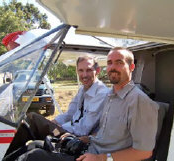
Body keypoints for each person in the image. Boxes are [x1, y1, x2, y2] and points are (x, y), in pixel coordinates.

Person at [16, 47, 159, 161]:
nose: (113, 67)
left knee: (34, 156)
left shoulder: (140, 101)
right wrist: (86, 139)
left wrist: (101, 158)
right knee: (34, 146)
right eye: (109, 63)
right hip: (88, 148)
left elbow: (144, 152)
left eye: (119, 62)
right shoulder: (111, 96)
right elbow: (105, 134)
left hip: (98, 157)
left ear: (132, 67)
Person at [2, 30, 109, 156]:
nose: (84, 75)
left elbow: (83, 129)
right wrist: (55, 122)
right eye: (81, 70)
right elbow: (69, 114)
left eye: (89, 70)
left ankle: (4, 155)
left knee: (33, 118)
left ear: (97, 71)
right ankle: (9, 155)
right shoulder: (83, 90)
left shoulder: (101, 93)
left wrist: (58, 128)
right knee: (31, 123)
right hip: (67, 131)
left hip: (73, 137)